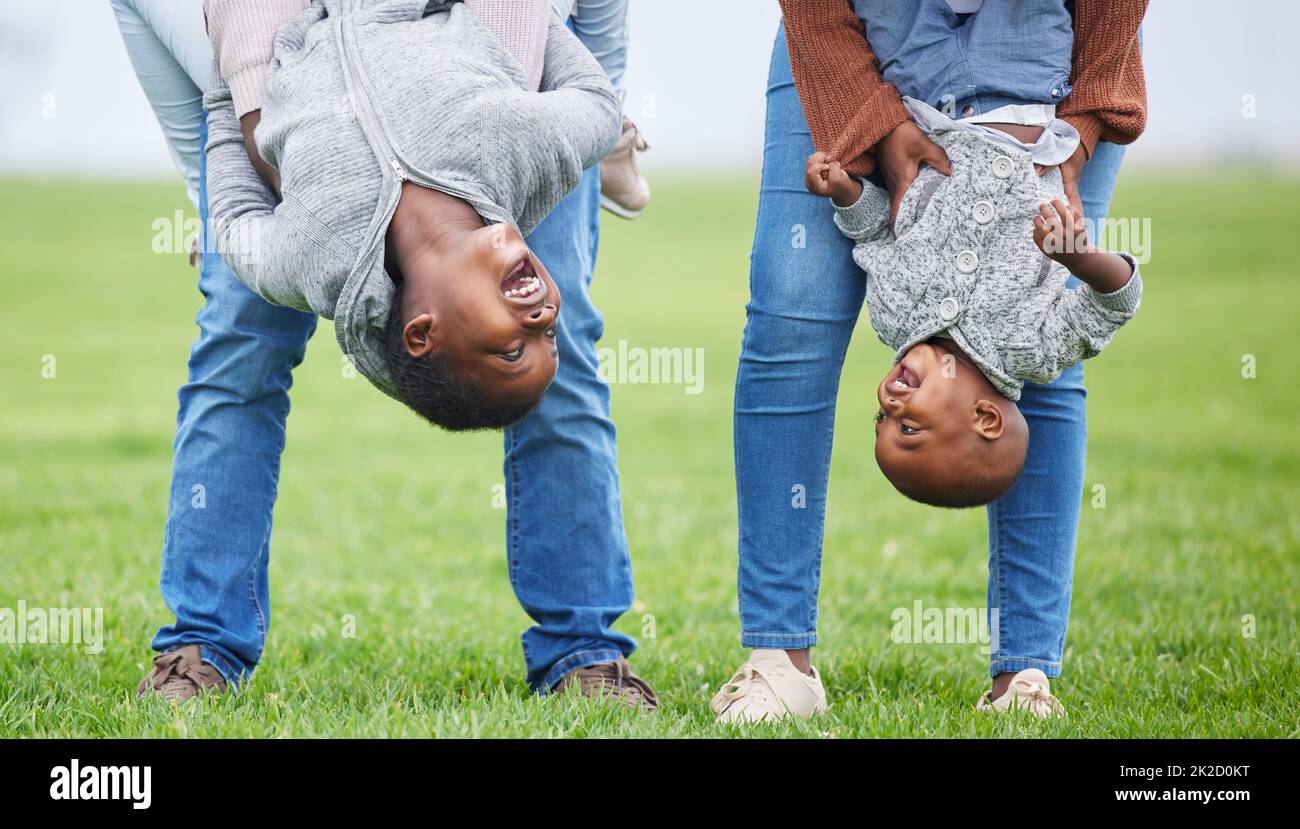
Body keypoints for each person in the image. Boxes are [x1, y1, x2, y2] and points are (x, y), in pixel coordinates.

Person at [114, 0, 655, 710]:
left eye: (519, 342)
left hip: (329, 79)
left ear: (421, 330)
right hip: (480, 70)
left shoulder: (309, 249)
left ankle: (582, 648)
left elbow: (244, 220)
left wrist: (236, 102)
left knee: (566, 370)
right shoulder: (523, 149)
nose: (541, 314)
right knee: (236, 355)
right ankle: (202, 642)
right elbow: (588, 101)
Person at [711, 0, 1147, 723]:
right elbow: (1109, 305)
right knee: (793, 316)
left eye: (879, 420)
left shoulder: (898, 316)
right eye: (906, 427)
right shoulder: (1027, 343)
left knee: (798, 311)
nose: (888, 402)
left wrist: (848, 187)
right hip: (1021, 66)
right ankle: (779, 660)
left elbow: (878, 236)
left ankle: (1024, 673)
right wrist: (1084, 258)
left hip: (921, 43)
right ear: (979, 413)